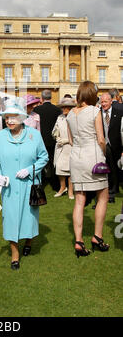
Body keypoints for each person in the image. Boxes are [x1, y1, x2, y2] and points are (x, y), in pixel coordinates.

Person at [0, 100, 48, 270]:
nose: (10, 121)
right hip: (9, 187)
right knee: (10, 219)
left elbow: (44, 157)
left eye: (13, 117)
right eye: (7, 117)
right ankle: (15, 254)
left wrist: (30, 170)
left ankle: (29, 240)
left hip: (30, 185)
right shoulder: (1, 136)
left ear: (22, 118)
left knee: (29, 218)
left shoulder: (34, 135)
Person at [66, 81, 110, 257]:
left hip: (75, 158)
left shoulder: (70, 114)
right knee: (103, 196)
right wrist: (104, 154)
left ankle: (78, 240)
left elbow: (70, 140)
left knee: (79, 200)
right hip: (93, 158)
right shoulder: (94, 111)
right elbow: (101, 139)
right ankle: (97, 236)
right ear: (92, 95)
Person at [33, 89, 61, 190]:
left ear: (42, 98)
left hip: (40, 140)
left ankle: (41, 182)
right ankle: (56, 184)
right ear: (51, 97)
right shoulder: (57, 110)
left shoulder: (36, 110)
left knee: (40, 161)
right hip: (53, 140)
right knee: (53, 162)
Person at [99, 92, 122, 203]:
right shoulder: (97, 114)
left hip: (116, 146)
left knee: (115, 170)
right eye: (101, 102)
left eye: (105, 101)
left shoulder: (119, 113)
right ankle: (106, 193)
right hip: (102, 147)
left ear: (111, 101)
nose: (103, 104)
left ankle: (113, 192)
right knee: (104, 171)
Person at [52, 97, 75, 199]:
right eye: (63, 107)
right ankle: (62, 187)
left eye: (66, 107)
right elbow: (55, 130)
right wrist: (57, 136)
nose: (64, 109)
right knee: (59, 168)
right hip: (60, 146)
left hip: (70, 146)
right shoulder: (59, 117)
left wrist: (67, 140)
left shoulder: (75, 117)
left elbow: (77, 133)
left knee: (70, 169)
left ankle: (70, 190)